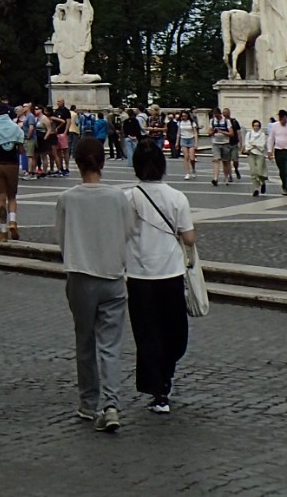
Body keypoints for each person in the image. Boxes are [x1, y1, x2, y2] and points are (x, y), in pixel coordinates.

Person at [58, 135, 134, 432]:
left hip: (80, 274)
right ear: (102, 162)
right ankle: (112, 404)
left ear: (76, 163)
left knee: (85, 341)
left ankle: (88, 403)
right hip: (113, 276)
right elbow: (128, 232)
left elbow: (61, 238)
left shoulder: (67, 199)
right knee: (111, 345)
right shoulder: (118, 197)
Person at [125, 139, 195, 415]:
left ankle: (158, 388)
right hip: (171, 272)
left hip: (139, 273)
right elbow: (189, 237)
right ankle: (164, 378)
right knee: (173, 331)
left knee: (147, 333)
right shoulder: (177, 197)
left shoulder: (128, 198)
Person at [0, 107, 26, 242]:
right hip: (12, 165)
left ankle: (3, 231)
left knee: (1, 198)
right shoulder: (15, 128)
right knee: (12, 196)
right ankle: (12, 222)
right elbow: (21, 150)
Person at [243, 117, 270, 197]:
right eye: (255, 125)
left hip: (260, 154)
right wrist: (253, 146)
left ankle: (263, 182)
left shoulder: (262, 135)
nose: (256, 127)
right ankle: (256, 189)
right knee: (253, 172)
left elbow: (262, 145)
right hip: (251, 153)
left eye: (257, 126)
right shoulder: (249, 134)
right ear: (252, 126)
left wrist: (254, 145)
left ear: (259, 127)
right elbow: (247, 144)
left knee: (259, 171)